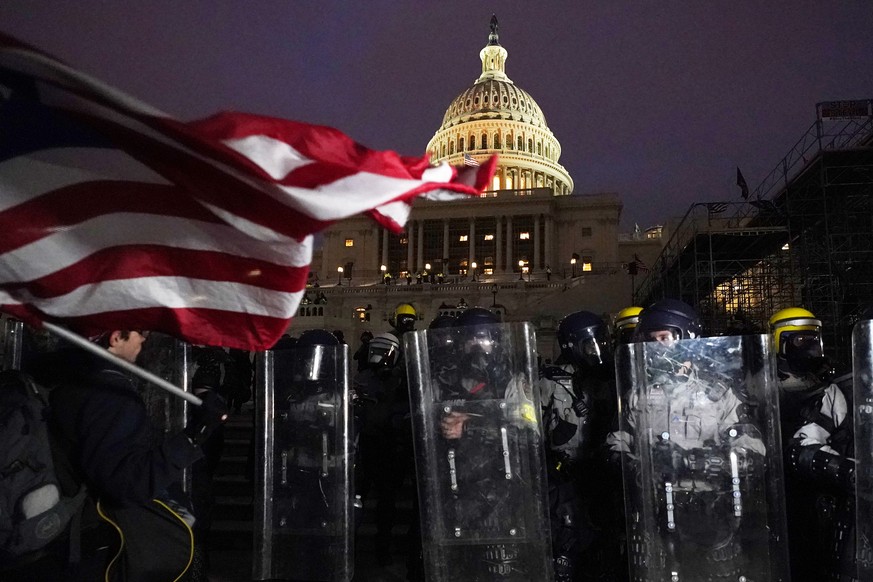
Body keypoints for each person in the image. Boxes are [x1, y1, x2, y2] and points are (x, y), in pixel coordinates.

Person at [15, 329, 226, 581]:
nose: (145, 339)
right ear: (116, 338)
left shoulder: (61, 378)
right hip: (93, 544)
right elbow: (127, 483)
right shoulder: (110, 393)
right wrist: (195, 434)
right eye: (140, 332)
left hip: (49, 534)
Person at [608, 299, 768, 580]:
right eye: (651, 340)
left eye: (664, 338)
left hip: (708, 512)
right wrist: (633, 467)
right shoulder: (637, 395)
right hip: (652, 512)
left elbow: (753, 450)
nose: (657, 347)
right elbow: (618, 441)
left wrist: (700, 462)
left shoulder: (717, 394)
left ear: (687, 338)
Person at [770, 307, 856, 582]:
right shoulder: (761, 383)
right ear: (779, 341)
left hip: (819, 489)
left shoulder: (829, 384)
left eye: (813, 340)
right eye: (798, 340)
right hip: (776, 483)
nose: (808, 347)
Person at [540, 311, 622, 581]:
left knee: (610, 539)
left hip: (607, 470)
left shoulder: (616, 377)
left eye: (600, 341)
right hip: (566, 473)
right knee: (568, 539)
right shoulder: (551, 382)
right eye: (588, 344)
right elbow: (528, 425)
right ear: (572, 347)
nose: (596, 350)